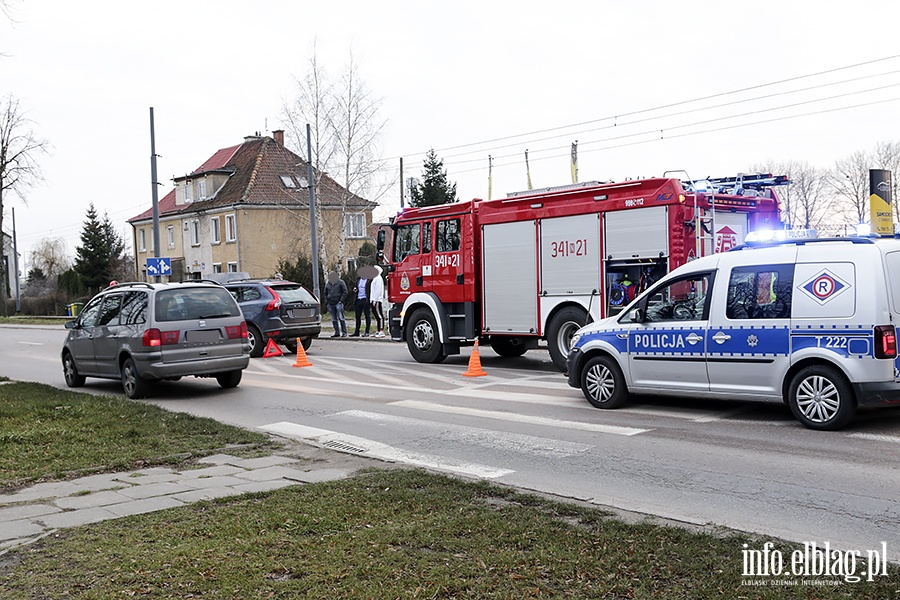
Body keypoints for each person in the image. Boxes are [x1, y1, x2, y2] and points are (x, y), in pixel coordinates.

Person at [324, 271, 348, 337]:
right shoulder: (328, 284)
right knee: (334, 319)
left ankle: (344, 332)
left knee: (341, 318)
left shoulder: (340, 282)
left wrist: (341, 300)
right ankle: (337, 332)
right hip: (330, 303)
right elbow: (325, 293)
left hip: (338, 303)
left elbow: (345, 292)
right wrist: (327, 302)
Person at [350, 271, 372, 337]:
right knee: (357, 316)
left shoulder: (369, 281)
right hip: (358, 299)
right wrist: (355, 289)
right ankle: (357, 331)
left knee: (367, 316)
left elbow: (370, 290)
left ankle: (367, 331)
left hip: (365, 299)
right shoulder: (358, 280)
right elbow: (356, 287)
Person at [370, 265, 386, 338]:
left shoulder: (378, 278)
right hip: (374, 299)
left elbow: (378, 290)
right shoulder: (375, 278)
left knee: (379, 316)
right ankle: (378, 329)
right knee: (376, 315)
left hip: (377, 300)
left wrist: (375, 300)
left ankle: (381, 330)